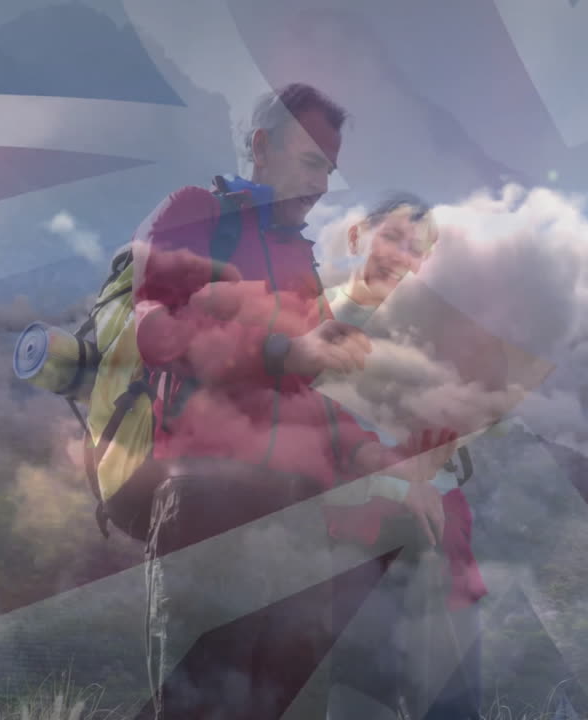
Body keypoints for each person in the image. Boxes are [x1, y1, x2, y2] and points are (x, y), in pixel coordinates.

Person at [121, 84, 458, 720]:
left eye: (329, 170)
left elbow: (299, 399)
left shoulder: (295, 258)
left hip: (295, 524)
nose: (322, 185)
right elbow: (157, 332)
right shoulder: (195, 213)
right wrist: (280, 352)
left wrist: (384, 464)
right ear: (260, 146)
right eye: (310, 163)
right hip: (206, 509)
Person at [320, 194, 492, 720]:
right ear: (361, 235)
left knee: (453, 704)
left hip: (441, 545)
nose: (400, 255)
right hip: (354, 550)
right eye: (391, 237)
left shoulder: (437, 334)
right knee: (361, 701)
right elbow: (304, 422)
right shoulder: (316, 315)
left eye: (416, 248)